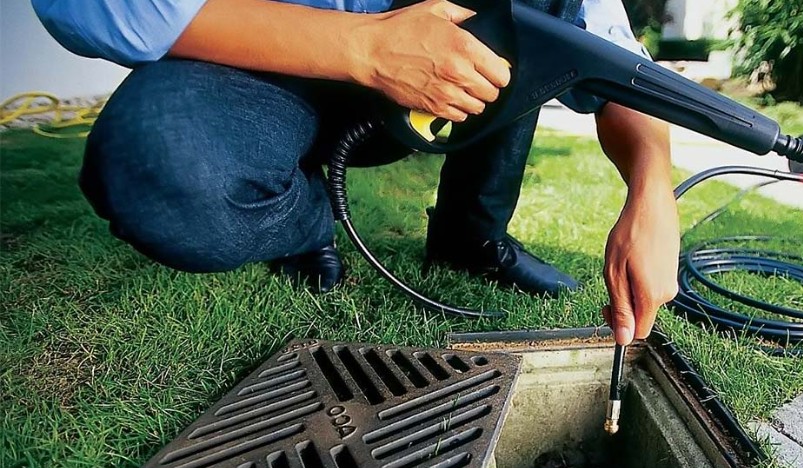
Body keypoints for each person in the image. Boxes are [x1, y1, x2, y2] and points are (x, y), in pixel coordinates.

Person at [33, 0, 679, 346]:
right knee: (152, 155)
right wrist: (365, 47)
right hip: (258, 67)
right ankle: (305, 219)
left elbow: (610, 52)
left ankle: (468, 237)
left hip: (427, 96)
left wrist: (653, 186)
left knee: (537, 9)